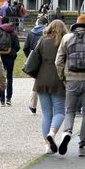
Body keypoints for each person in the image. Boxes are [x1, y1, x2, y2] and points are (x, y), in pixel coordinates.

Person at [55, 14, 85, 157]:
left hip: (71, 80)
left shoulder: (66, 38)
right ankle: (83, 146)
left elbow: (58, 61)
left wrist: (63, 77)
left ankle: (67, 132)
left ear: (76, 24)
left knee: (69, 110)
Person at [32, 20, 67, 154]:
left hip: (42, 77)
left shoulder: (42, 40)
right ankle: (52, 134)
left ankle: (47, 146)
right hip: (58, 78)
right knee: (59, 112)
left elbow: (35, 57)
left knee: (46, 113)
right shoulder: (64, 41)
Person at [0, 16, 20, 106]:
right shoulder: (14, 32)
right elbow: (17, 47)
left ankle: (2, 100)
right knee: (9, 77)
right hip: (10, 57)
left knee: (1, 77)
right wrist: (12, 51)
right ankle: (8, 98)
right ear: (9, 22)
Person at [24, 17, 49, 114]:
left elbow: (25, 48)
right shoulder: (48, 33)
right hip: (47, 60)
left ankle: (32, 105)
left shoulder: (31, 33)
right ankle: (47, 106)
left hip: (35, 60)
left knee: (36, 82)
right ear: (46, 24)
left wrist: (30, 58)